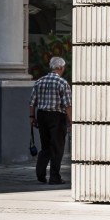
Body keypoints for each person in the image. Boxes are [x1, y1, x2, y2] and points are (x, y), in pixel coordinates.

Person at [29, 56, 71, 185]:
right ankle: (54, 177)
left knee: (46, 146)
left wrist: (32, 117)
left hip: (42, 115)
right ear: (61, 68)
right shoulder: (62, 83)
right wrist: (71, 121)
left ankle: (40, 174)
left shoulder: (39, 81)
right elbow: (67, 105)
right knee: (57, 148)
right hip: (57, 116)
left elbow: (32, 102)